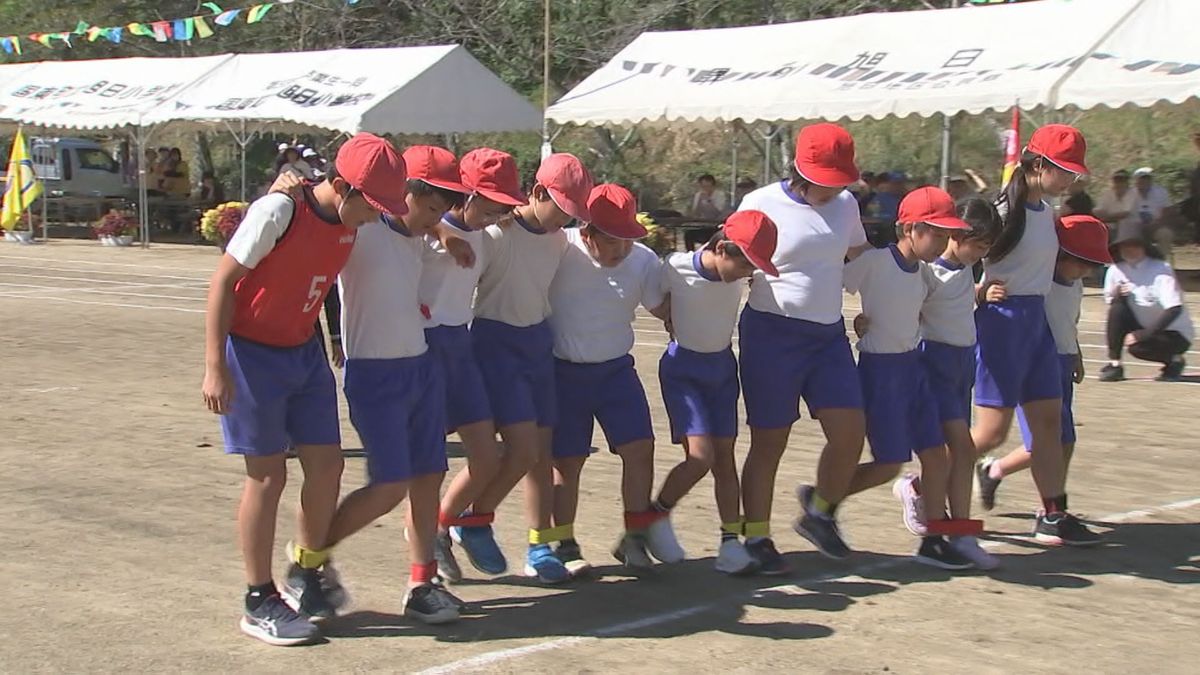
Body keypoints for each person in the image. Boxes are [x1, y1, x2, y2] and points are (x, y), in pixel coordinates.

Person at [200, 133, 407, 646]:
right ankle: (258, 597)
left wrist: (332, 338)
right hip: (250, 356)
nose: (375, 216)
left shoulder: (351, 221)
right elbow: (223, 282)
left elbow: (323, 283)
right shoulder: (279, 210)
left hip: (304, 354)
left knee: (328, 466)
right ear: (340, 186)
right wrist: (214, 366)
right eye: (371, 205)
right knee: (267, 478)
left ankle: (307, 571)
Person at [735, 123, 870, 573]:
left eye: (840, 181)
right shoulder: (760, 203)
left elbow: (857, 255)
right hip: (771, 334)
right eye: (826, 181)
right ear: (799, 169)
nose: (834, 190)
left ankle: (821, 512)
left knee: (851, 431)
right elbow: (729, 260)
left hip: (828, 337)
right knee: (770, 440)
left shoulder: (847, 205)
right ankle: (755, 537)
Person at [465, 153, 594, 584]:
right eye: (562, 209)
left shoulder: (559, 240)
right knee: (520, 450)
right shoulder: (495, 234)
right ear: (538, 193)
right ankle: (474, 520)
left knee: (540, 454)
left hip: (538, 342)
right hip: (495, 343)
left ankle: (539, 546)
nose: (566, 221)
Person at [970, 124, 1101, 546]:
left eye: (1074, 173)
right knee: (992, 433)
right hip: (1001, 323)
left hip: (1036, 324)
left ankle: (1052, 513)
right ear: (1038, 164)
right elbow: (954, 262)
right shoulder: (1002, 211)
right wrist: (977, 291)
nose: (1070, 180)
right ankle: (921, 484)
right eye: (1064, 170)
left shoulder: (1046, 211)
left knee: (1049, 424)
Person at [547, 184, 674, 576]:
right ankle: (564, 543)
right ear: (587, 233)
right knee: (567, 463)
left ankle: (634, 536)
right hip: (563, 373)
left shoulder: (643, 260)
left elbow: (664, 309)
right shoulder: (559, 249)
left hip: (616, 371)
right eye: (613, 240)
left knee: (640, 449)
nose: (622, 249)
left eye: (628, 240)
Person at [843, 186, 974, 569]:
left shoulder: (926, 274)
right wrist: (855, 322)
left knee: (936, 456)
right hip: (880, 372)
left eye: (948, 233)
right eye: (936, 232)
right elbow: (832, 283)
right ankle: (824, 499)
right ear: (909, 228)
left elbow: (946, 306)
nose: (943, 241)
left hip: (914, 368)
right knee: (888, 464)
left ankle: (933, 542)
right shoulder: (874, 261)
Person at [420, 148, 527, 583]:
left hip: (461, 346)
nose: (496, 213)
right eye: (490, 203)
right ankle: (423, 554)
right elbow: (410, 223)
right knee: (426, 466)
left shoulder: (487, 236)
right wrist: (444, 235)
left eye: (503, 205)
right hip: (421, 348)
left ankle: (445, 528)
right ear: (465, 193)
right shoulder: (430, 226)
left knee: (488, 455)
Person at [655, 210, 779, 575]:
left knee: (725, 461)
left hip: (723, 369)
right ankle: (654, 516)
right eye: (746, 265)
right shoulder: (674, 267)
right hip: (683, 371)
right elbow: (652, 295)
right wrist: (667, 315)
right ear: (723, 248)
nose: (749, 273)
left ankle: (730, 544)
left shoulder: (741, 274)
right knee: (701, 457)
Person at [977, 215, 1113, 516]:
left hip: (1061, 363)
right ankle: (1048, 508)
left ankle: (1036, 496)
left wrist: (1075, 353)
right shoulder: (1041, 285)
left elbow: (1069, 323)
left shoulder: (1074, 286)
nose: (1087, 271)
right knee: (1041, 441)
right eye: (1082, 262)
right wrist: (984, 293)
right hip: (1038, 361)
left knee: (1063, 441)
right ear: (1059, 255)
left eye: (1094, 265)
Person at [917, 196, 1002, 569]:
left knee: (960, 452)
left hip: (962, 364)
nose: (981, 254)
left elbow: (960, 299)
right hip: (933, 364)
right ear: (957, 235)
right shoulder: (928, 273)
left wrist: (982, 293)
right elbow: (907, 309)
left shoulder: (965, 269)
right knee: (955, 450)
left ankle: (957, 532)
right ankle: (940, 534)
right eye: (979, 245)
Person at [1099, 232, 1194, 382]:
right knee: (1117, 309)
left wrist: (1144, 334)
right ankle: (1115, 364)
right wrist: (1118, 296)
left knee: (1138, 348)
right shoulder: (1115, 270)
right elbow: (1112, 303)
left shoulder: (1161, 268)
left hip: (1174, 333)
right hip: (1140, 322)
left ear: (1145, 247)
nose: (1129, 249)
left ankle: (1174, 360)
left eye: (1135, 245)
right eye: (1124, 246)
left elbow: (1174, 308)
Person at [1130, 167, 1173, 258]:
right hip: (1135, 227)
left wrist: (1158, 223)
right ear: (1136, 180)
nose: (1145, 181)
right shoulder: (1128, 194)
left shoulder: (1161, 192)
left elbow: (1167, 210)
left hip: (1156, 225)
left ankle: (1161, 261)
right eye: (1142, 178)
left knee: (1165, 234)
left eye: (1147, 178)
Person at [685, 174, 727, 250]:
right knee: (688, 234)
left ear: (713, 185)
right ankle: (690, 255)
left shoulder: (719, 195)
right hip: (702, 225)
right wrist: (699, 201)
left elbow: (717, 212)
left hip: (715, 226)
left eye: (708, 186)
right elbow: (695, 212)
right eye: (703, 186)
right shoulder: (698, 195)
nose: (705, 189)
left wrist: (708, 200)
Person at [1094, 169, 1136, 239]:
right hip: (1109, 226)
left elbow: (1125, 214)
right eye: (1116, 180)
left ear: (1127, 182)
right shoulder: (1107, 194)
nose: (1119, 183)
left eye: (1122, 180)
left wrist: (1105, 217)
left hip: (1129, 228)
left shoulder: (1133, 194)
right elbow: (1098, 211)